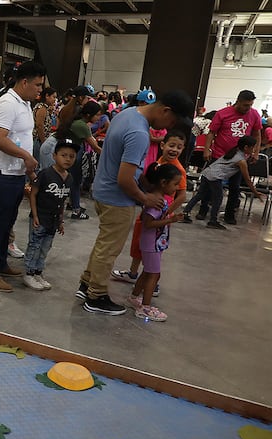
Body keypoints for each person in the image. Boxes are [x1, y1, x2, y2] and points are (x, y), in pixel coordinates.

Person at [77, 90, 194, 315]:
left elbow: (128, 164)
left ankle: (87, 283)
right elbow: (124, 178)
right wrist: (145, 198)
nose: (169, 128)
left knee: (103, 243)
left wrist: (145, 183)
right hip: (117, 198)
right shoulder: (139, 132)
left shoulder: (127, 114)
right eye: (172, 121)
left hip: (103, 190)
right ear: (165, 110)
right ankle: (96, 296)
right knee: (109, 248)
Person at [0, 61, 45, 293]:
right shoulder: (7, 103)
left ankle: (0, 263)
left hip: (15, 175)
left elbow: (19, 137)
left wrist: (27, 168)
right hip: (2, 175)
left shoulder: (24, 103)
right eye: (37, 85)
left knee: (7, 223)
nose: (40, 90)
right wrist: (25, 156)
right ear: (24, 82)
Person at [112, 129, 189, 285]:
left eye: (179, 147)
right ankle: (133, 273)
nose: (174, 149)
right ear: (162, 145)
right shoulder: (158, 162)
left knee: (154, 249)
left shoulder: (178, 171)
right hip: (148, 209)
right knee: (140, 242)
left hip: (159, 213)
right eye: (171, 145)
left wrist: (167, 211)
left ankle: (152, 281)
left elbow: (182, 195)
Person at [124, 163, 184, 322]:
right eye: (175, 184)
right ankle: (145, 307)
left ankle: (134, 297)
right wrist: (170, 220)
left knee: (147, 272)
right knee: (154, 275)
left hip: (154, 243)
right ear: (163, 183)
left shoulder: (159, 199)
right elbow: (148, 223)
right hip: (151, 244)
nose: (176, 188)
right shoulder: (157, 202)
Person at [23, 137, 75, 291]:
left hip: (53, 220)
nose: (67, 159)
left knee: (45, 247)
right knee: (35, 245)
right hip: (40, 218)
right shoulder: (46, 174)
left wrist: (61, 221)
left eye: (71, 156)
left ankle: (38, 272)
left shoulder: (69, 178)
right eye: (63, 155)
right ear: (54, 156)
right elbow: (33, 194)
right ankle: (28, 273)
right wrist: (35, 215)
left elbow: (63, 200)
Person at [203, 90, 262, 224]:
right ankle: (203, 210)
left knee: (235, 187)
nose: (248, 108)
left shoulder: (254, 114)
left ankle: (230, 214)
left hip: (239, 158)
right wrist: (207, 149)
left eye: (251, 105)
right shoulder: (223, 113)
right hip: (219, 155)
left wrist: (256, 153)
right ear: (238, 102)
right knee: (208, 184)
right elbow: (211, 132)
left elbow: (257, 135)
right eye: (246, 105)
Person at [182, 135, 265, 229]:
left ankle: (185, 213)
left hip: (207, 173)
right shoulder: (241, 161)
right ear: (246, 147)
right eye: (252, 147)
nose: (254, 150)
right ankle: (213, 221)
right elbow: (247, 180)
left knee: (200, 195)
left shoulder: (234, 152)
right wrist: (255, 192)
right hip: (215, 177)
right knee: (218, 199)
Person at [40, 101, 104, 219]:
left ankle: (72, 204)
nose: (99, 118)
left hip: (57, 148)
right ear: (89, 115)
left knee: (72, 178)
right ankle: (74, 210)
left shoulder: (79, 122)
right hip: (52, 149)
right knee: (62, 179)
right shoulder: (81, 125)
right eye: (98, 115)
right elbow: (95, 147)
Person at [32, 87, 57, 158]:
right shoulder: (42, 108)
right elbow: (40, 126)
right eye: (53, 97)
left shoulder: (46, 108)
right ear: (47, 96)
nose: (55, 100)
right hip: (38, 140)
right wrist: (43, 142)